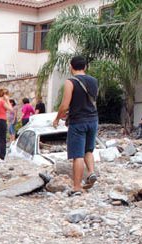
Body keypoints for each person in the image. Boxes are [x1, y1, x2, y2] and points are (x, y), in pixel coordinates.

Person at [53, 55, 99, 196]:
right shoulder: (94, 81)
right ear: (85, 67)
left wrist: (57, 118)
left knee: (77, 155)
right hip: (93, 119)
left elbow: (65, 105)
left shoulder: (70, 82)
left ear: (71, 67)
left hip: (78, 122)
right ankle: (91, 172)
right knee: (88, 151)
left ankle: (77, 187)